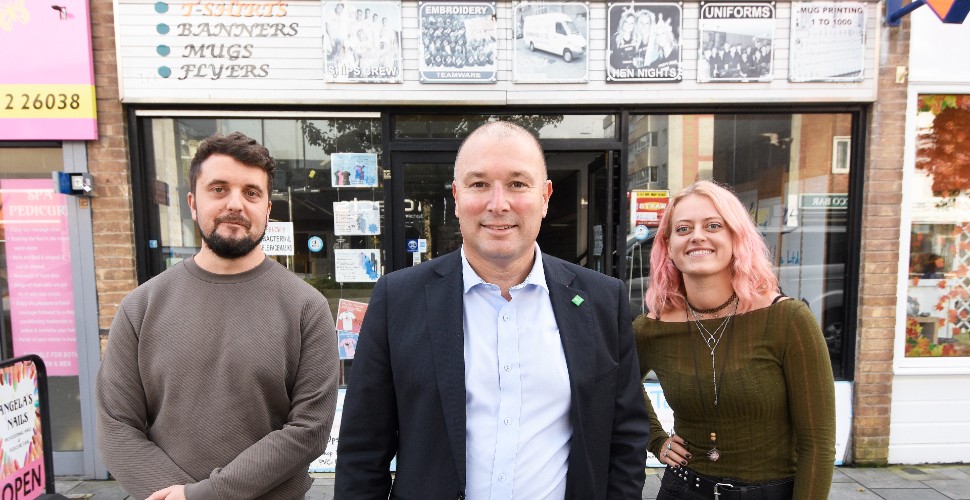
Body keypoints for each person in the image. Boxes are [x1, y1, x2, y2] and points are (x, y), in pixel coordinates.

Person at [335, 122, 650, 499]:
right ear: (456, 197)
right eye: (479, 184)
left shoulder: (602, 300)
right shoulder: (398, 298)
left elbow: (625, 436)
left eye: (518, 183)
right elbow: (363, 449)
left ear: (545, 197)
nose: (498, 203)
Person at [96, 132, 339, 500]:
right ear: (193, 203)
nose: (236, 204)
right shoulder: (141, 307)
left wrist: (204, 495)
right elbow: (116, 426)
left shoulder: (307, 307)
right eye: (219, 189)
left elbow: (310, 429)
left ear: (268, 209)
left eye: (252, 193)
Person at [633, 180, 836, 499]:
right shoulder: (652, 328)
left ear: (736, 237)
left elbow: (819, 446)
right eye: (683, 228)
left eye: (713, 225)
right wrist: (656, 440)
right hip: (683, 490)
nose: (697, 236)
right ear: (669, 245)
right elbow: (618, 383)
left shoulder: (788, 320)